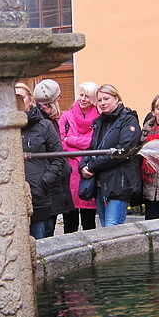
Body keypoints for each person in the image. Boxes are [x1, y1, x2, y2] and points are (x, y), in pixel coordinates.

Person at [79, 84, 142, 227]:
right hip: (102, 184)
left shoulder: (128, 119)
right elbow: (92, 148)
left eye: (106, 99)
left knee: (112, 228)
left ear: (116, 98)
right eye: (99, 100)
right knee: (105, 229)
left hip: (119, 183)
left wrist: (92, 166)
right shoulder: (100, 121)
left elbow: (124, 150)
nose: (102, 103)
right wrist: (83, 166)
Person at [17, 83, 66, 239]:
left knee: (39, 244)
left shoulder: (44, 126)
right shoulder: (5, 128)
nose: (17, 101)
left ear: (31, 100)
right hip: (13, 197)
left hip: (38, 196)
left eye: (21, 97)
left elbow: (58, 157)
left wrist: (44, 181)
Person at [33, 79, 74, 236]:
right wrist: (47, 179)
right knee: (45, 232)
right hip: (48, 184)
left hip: (52, 182)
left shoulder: (46, 120)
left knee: (47, 229)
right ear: (55, 99)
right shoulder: (43, 122)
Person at [58, 82, 100, 232]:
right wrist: (81, 146)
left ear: (94, 98)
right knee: (69, 224)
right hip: (69, 172)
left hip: (89, 172)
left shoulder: (99, 119)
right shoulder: (66, 117)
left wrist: (71, 140)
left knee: (89, 223)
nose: (83, 99)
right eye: (81, 95)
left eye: (87, 96)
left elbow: (96, 143)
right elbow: (60, 143)